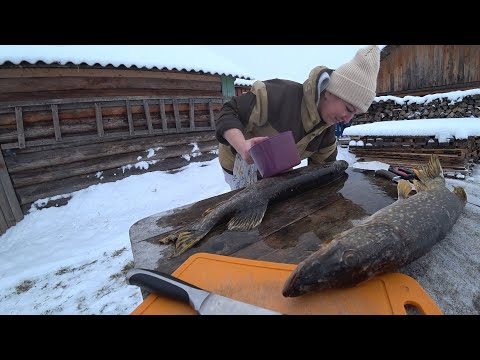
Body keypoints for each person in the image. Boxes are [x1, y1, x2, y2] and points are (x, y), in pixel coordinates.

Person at [215, 45, 381, 190]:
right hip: (239, 164)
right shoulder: (277, 95)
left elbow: (323, 171)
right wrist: (242, 146)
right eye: (349, 109)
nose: (347, 120)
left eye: (354, 114)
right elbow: (229, 111)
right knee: (244, 211)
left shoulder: (326, 132)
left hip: (275, 173)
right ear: (331, 93)